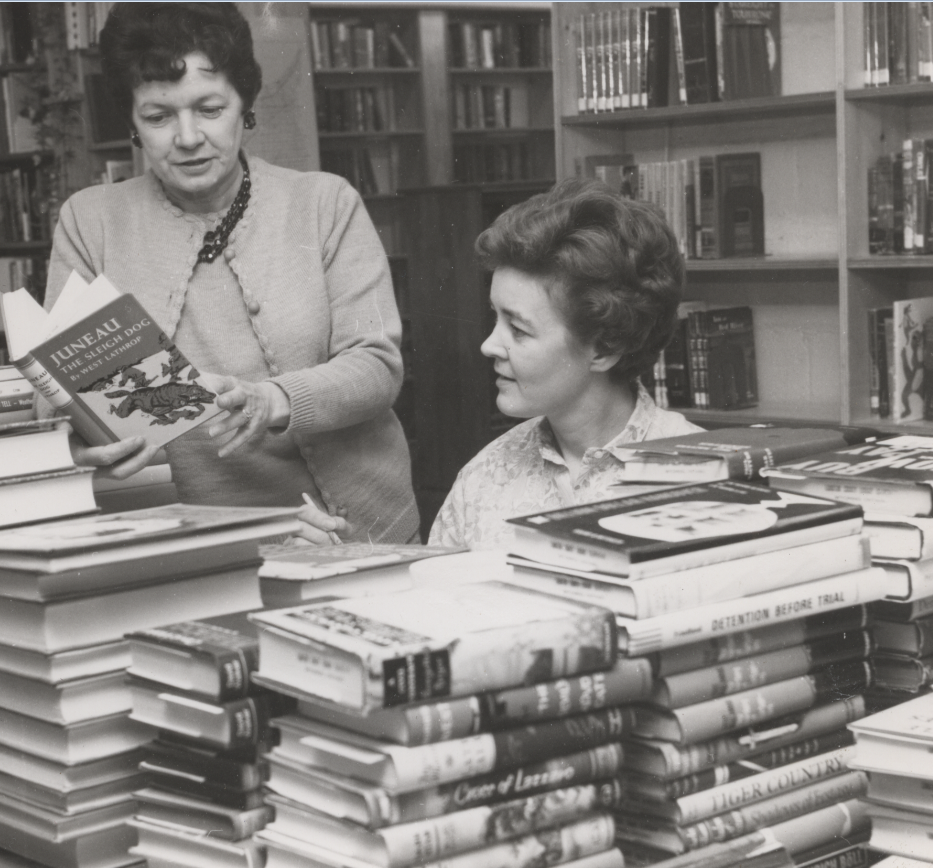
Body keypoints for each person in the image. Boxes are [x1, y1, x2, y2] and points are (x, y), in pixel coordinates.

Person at [44, 3, 418, 545]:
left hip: (342, 526)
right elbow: (54, 386)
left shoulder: (324, 203)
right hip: (177, 541)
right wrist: (78, 441)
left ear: (245, 105)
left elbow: (378, 367)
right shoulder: (90, 220)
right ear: (131, 123)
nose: (188, 136)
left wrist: (274, 399)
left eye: (210, 108)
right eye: (158, 116)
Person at [428, 178, 703, 551]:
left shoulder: (704, 477)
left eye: (519, 330)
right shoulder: (481, 479)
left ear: (604, 348)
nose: (489, 346)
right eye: (495, 318)